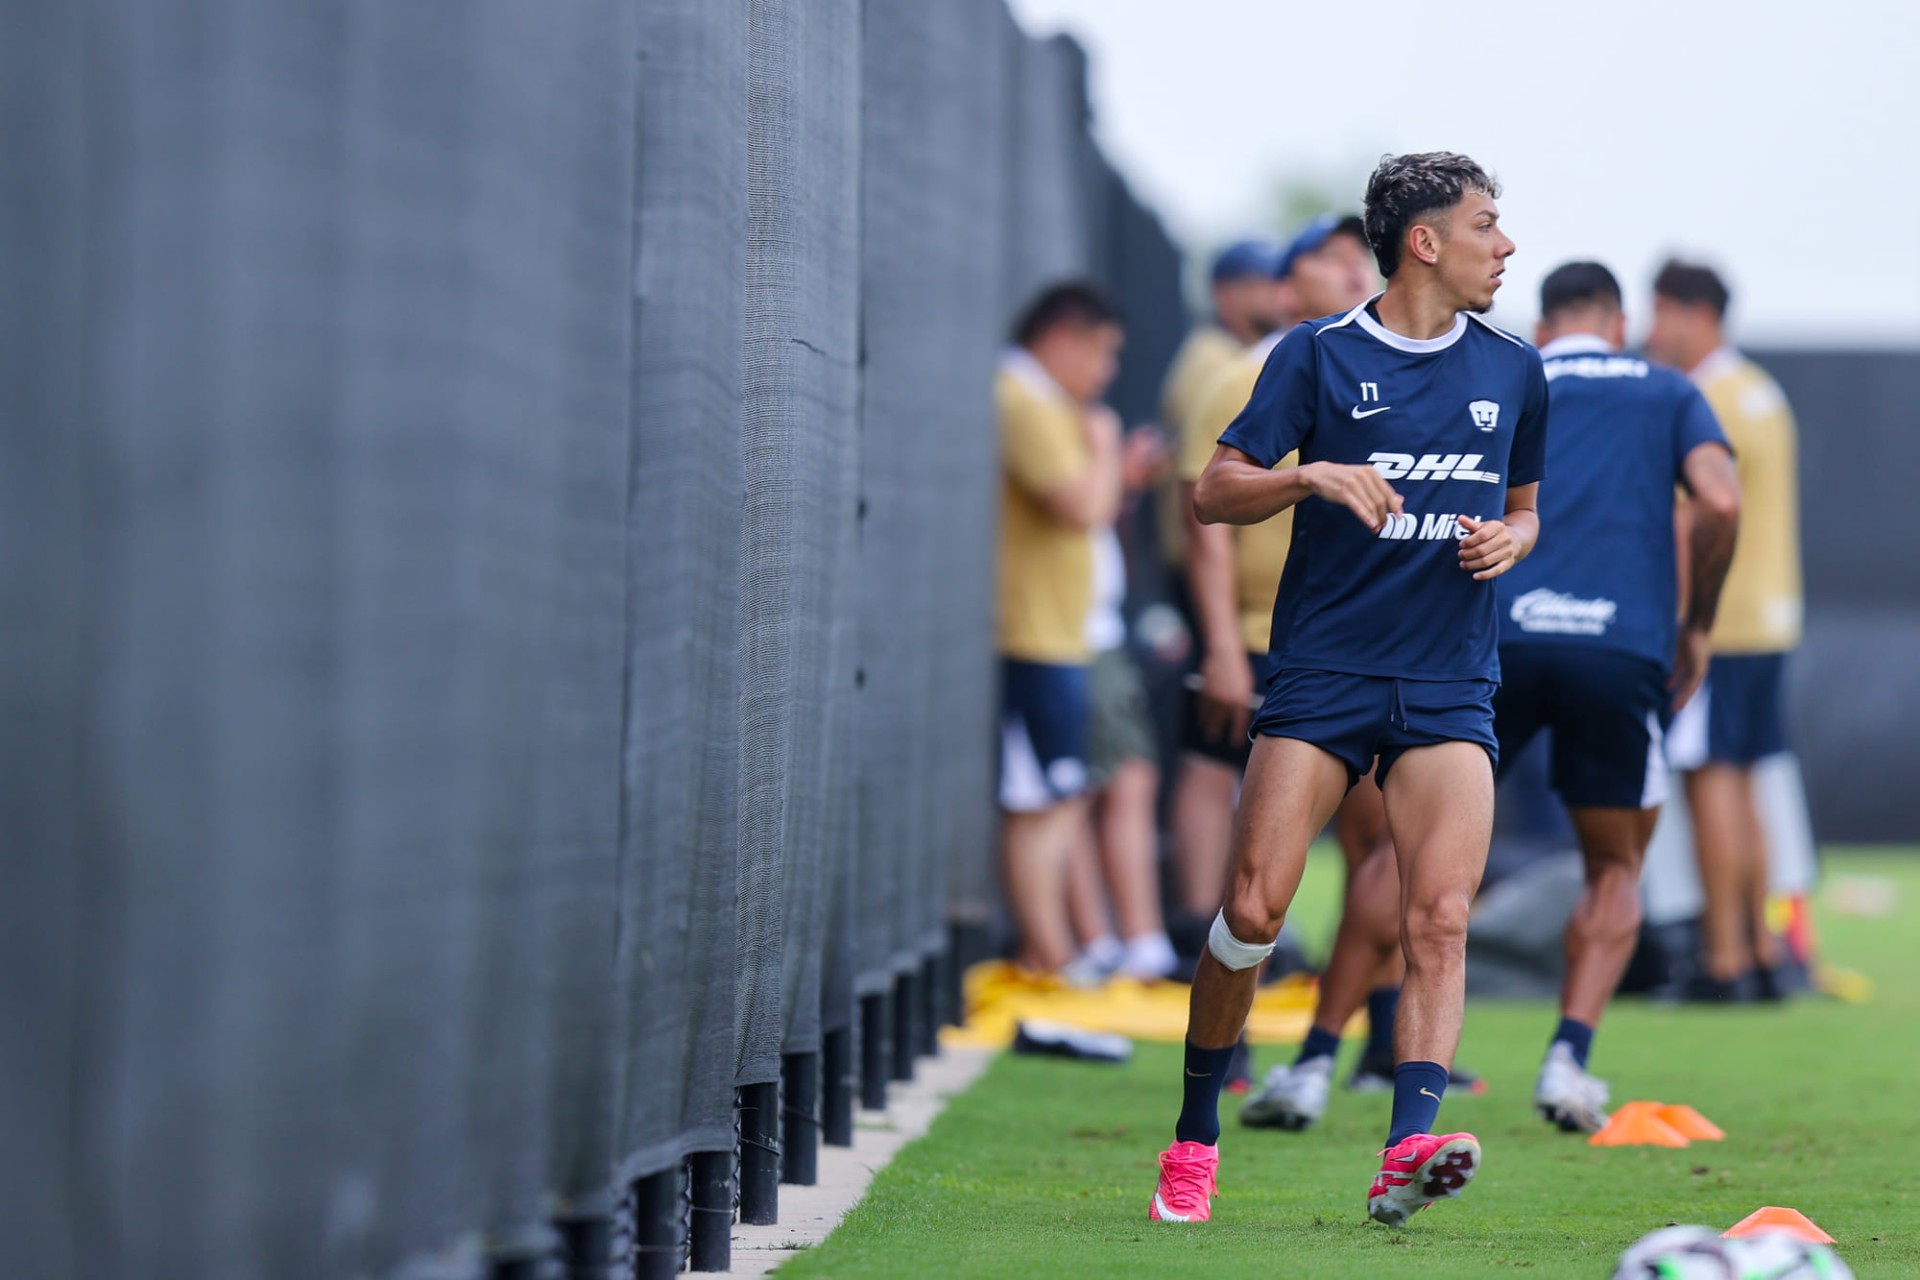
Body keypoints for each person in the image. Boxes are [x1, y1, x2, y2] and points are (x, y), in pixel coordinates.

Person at [1147, 152, 1546, 1229]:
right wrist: (1307, 475)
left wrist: (1513, 538)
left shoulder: (1516, 368)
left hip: (1450, 678)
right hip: (1323, 673)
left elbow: (1526, 507)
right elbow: (1212, 492)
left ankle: (1406, 1148)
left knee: (1441, 916)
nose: (1505, 245)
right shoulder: (1316, 355)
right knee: (1252, 909)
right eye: (1486, 225)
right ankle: (1194, 1137)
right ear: (1425, 241)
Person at [1491, 262, 1739, 1131]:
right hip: (1619, 648)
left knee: (1410, 855)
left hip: (1494, 642)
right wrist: (1696, 625)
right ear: (1620, 323)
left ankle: (1337, 1057)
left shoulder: (1505, 374)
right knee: (1615, 867)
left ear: (1543, 324)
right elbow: (1720, 501)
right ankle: (1566, 1063)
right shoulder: (1668, 390)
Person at [1645, 260, 1804, 1001]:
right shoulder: (1760, 391)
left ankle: (1725, 961)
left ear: (1693, 314)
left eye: (1658, 312)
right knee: (1741, 784)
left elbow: (1697, 513)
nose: (1651, 331)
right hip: (1769, 618)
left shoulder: (1708, 399)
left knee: (1711, 782)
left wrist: (1683, 617)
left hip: (1724, 621)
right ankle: (1763, 953)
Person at [995, 281, 1124, 974]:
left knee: (1057, 798)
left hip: (1053, 635)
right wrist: (1104, 447)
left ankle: (1055, 952)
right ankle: (1047, 955)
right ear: (1064, 339)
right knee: (1044, 802)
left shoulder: (1036, 399)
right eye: (1102, 354)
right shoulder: (1024, 399)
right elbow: (1084, 506)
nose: (1105, 374)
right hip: (1031, 637)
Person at [1062, 422, 1180, 984]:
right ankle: (1114, 943)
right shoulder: (1054, 415)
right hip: (1076, 637)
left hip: (1091, 636)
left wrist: (1120, 475)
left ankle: (1119, 942)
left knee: (1105, 784)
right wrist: (1110, 451)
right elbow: (1083, 506)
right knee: (1091, 789)